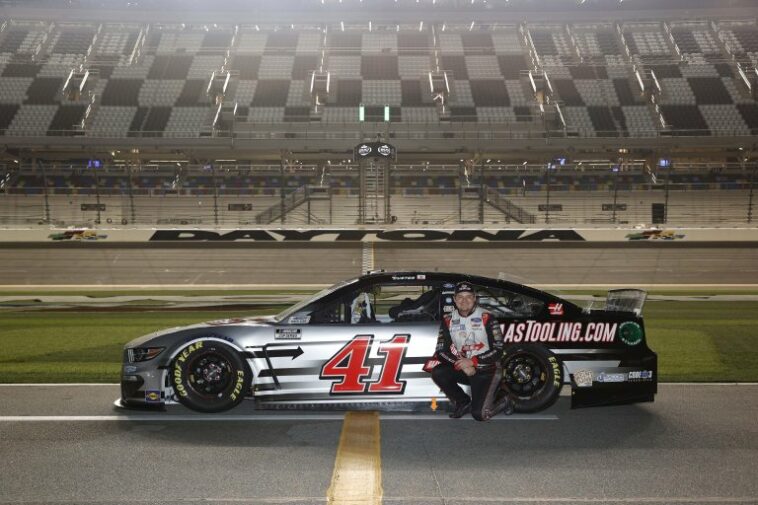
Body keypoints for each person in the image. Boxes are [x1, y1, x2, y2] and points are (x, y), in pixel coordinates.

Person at [431, 281, 514, 420]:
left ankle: (504, 398)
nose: (464, 301)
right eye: (460, 297)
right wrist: (461, 364)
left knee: (480, 415)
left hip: (488, 370)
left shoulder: (487, 317)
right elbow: (440, 351)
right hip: (466, 369)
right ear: (454, 299)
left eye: (468, 296)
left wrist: (473, 361)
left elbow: (499, 349)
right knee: (439, 372)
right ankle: (462, 403)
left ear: (475, 298)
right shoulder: (448, 319)